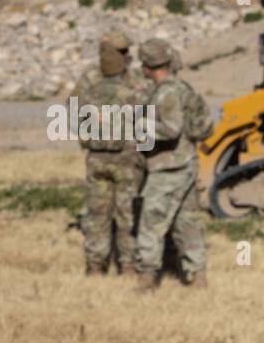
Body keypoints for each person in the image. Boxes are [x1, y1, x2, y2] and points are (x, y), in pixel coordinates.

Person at [133, 38, 212, 291]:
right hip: (186, 163)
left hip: (168, 168)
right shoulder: (182, 87)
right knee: (186, 223)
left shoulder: (166, 93)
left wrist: (136, 125)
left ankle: (147, 280)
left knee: (151, 222)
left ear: (147, 66)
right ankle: (197, 276)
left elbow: (171, 129)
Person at [76, 31, 149, 276]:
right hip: (127, 159)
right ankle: (128, 265)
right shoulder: (135, 80)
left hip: (97, 156)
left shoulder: (90, 79)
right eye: (125, 51)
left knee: (97, 213)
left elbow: (72, 109)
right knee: (126, 213)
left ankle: (95, 265)